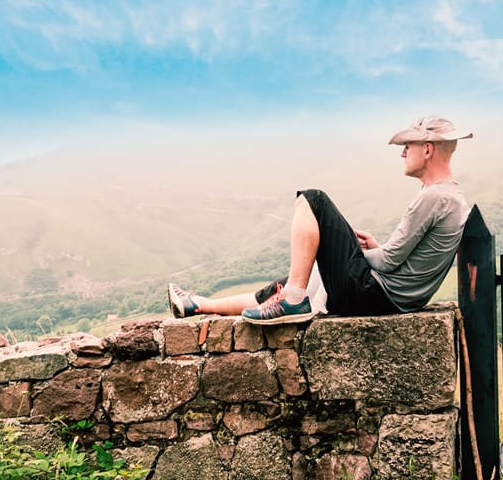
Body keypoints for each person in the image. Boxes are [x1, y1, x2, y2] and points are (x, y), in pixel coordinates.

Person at [168, 115, 473, 325]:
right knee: (290, 282)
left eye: (409, 146)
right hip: (388, 297)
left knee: (313, 200)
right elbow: (402, 258)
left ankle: (295, 300)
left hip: (376, 295)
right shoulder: (449, 197)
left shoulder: (434, 197)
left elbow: (390, 261)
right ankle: (198, 304)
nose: (403, 153)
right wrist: (366, 250)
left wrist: (360, 254)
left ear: (428, 149)